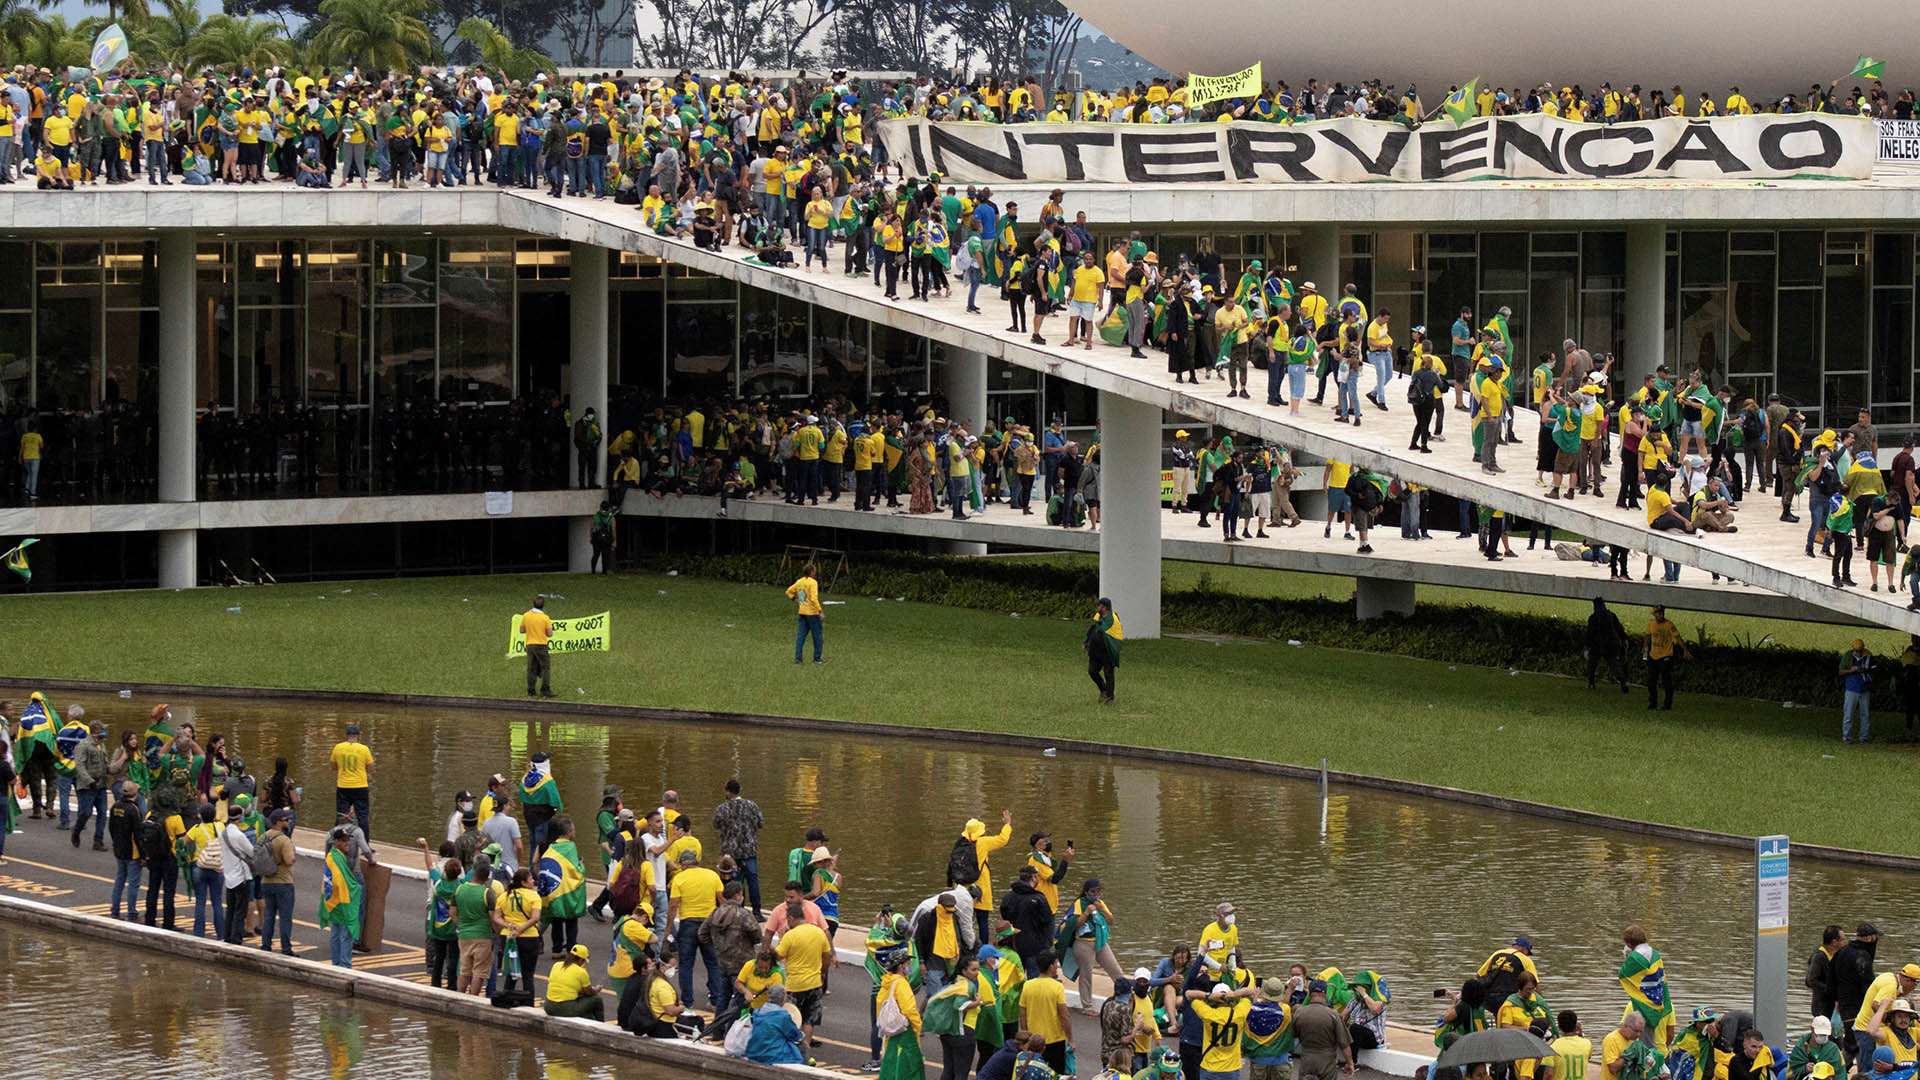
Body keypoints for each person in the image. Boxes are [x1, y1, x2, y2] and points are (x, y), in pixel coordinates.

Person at [669, 847, 727, 1011]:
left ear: (683, 865)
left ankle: (688, 1003)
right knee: (713, 963)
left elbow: (673, 905)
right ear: (697, 862)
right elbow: (722, 901)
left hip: (688, 924)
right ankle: (716, 1000)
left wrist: (668, 929)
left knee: (686, 964)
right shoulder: (712, 875)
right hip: (709, 925)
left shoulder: (679, 879)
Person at [776, 899, 836, 1048]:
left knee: (793, 1017)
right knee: (809, 1019)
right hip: (814, 982)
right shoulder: (818, 932)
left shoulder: (790, 936)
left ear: (791, 919)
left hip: (794, 984)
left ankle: (791, 1047)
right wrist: (822, 973)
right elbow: (827, 956)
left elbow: (778, 956)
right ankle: (806, 1047)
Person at [712, 778, 765, 918]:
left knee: (730, 882)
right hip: (749, 850)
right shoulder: (752, 805)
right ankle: (757, 912)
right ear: (739, 791)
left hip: (729, 853)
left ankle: (733, 911)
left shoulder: (721, 808)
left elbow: (716, 825)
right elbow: (760, 823)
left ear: (727, 792)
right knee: (752, 881)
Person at [1618, 924, 1673, 1051]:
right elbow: (1658, 977)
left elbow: (1623, 974)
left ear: (1630, 944)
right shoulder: (1655, 953)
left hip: (1645, 1003)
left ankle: (1654, 1069)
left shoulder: (1636, 956)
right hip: (1656, 999)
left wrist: (1627, 958)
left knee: (1648, 1045)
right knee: (1648, 1038)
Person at [877, 947, 926, 1080]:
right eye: (907, 964)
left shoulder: (886, 982)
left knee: (891, 1066)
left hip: (890, 1032)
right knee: (909, 1068)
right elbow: (909, 1010)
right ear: (900, 966)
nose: (910, 966)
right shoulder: (901, 984)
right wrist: (919, 1026)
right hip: (905, 1032)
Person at [320, 824, 364, 968]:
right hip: (341, 901)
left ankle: (337, 962)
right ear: (336, 842)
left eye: (348, 840)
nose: (347, 843)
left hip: (334, 901)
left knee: (336, 932)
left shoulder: (336, 856)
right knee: (345, 934)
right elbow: (340, 882)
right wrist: (355, 888)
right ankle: (344, 964)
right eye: (344, 840)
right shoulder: (335, 858)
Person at [1293, 978, 1356, 1080]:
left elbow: (1292, 1035)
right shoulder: (1333, 1015)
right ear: (1325, 994)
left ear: (1309, 994)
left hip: (1306, 1060)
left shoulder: (1299, 1013)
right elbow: (1344, 1044)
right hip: (1327, 1061)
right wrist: (1350, 1063)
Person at [1022, 951, 1073, 1074]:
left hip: (1034, 1040)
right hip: (1055, 1040)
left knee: (1035, 1073)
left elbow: (1023, 1014)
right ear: (1051, 966)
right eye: (1056, 963)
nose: (1057, 966)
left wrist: (1026, 1035)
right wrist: (1070, 1038)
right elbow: (1064, 1015)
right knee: (1057, 1074)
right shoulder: (1057, 987)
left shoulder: (1027, 986)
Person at [258, 809, 296, 955]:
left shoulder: (263, 837)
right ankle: (286, 948)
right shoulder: (284, 840)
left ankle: (266, 945)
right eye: (286, 820)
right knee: (285, 917)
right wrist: (294, 853)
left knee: (269, 915)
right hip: (283, 882)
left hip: (266, 881)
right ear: (279, 822)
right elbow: (289, 861)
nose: (289, 822)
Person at [69, 719, 110, 850]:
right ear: (95, 730)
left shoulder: (101, 745)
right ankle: (77, 830)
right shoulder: (83, 745)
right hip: (87, 786)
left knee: (102, 813)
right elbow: (80, 766)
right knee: (85, 812)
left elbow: (106, 764)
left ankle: (98, 840)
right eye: (102, 729)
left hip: (101, 784)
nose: (104, 732)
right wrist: (89, 781)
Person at [327, 722, 373, 840]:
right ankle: (365, 844)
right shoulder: (364, 749)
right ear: (358, 736)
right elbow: (370, 767)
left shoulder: (338, 747)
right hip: (360, 786)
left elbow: (333, 766)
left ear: (346, 735)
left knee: (341, 815)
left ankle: (337, 840)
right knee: (362, 817)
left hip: (343, 786)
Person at [107, 782, 143, 920]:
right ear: (135, 793)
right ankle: (132, 913)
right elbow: (138, 834)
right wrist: (144, 855)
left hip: (119, 848)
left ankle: (115, 911)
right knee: (133, 883)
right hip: (132, 851)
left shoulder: (115, 806)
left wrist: (116, 843)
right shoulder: (133, 809)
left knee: (119, 880)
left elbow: (111, 827)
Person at [1643, 607, 1691, 712]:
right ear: (1654, 614)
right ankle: (1652, 704)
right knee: (1651, 682)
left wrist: (1685, 650)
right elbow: (1647, 637)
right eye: (1659, 614)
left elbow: (1678, 638)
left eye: (1662, 613)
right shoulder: (1651, 623)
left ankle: (1667, 705)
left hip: (1665, 657)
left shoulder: (1669, 624)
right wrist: (1645, 651)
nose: (1661, 615)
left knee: (1666, 682)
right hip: (1653, 656)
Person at [746, 984, 808, 1064]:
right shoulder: (782, 1016)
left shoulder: (757, 1012)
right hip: (771, 1056)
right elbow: (794, 1035)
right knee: (802, 1047)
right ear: (783, 999)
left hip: (753, 1052)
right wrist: (802, 1035)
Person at [545, 943, 608, 1021]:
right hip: (564, 1007)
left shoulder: (556, 965)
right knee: (596, 1000)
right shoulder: (580, 972)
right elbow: (589, 993)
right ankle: (600, 1025)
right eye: (584, 961)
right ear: (581, 960)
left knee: (587, 1015)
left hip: (548, 1006)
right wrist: (596, 990)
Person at [519, 752, 563, 857]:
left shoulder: (525, 779)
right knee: (542, 846)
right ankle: (540, 869)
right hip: (543, 818)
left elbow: (522, 798)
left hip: (529, 817)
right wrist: (557, 811)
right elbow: (555, 800)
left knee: (533, 845)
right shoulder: (547, 781)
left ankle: (531, 869)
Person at [1587, 599, 1630, 693]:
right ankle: (1623, 681)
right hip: (1612, 644)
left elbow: (1590, 633)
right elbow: (1619, 629)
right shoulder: (1611, 615)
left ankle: (1591, 683)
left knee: (1592, 664)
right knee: (1614, 665)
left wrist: (1587, 646)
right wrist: (1624, 639)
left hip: (1597, 644)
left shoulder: (1593, 617)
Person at [787, 560, 825, 664]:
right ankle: (817, 658)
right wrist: (820, 611)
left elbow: (789, 591)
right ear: (811, 572)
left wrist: (795, 600)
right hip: (812, 613)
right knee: (817, 636)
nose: (816, 573)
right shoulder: (813, 583)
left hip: (802, 612)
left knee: (801, 636)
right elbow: (813, 598)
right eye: (815, 571)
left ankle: (798, 659)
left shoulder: (799, 581)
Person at [1086, 597, 1122, 705]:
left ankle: (1110, 698)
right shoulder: (1098, 616)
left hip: (1107, 651)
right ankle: (1104, 689)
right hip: (1096, 651)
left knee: (1108, 674)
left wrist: (1099, 622)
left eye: (1099, 605)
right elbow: (1092, 629)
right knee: (1092, 671)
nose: (1097, 607)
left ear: (1104, 607)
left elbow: (1104, 628)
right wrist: (1086, 642)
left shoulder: (1112, 619)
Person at [1810, 925, 1847, 1023]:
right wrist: (1830, 990)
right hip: (1822, 1006)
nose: (1845, 942)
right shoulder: (1819, 957)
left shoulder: (1836, 955)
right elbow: (1811, 980)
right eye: (1843, 939)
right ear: (1835, 942)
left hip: (1834, 1004)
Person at [521, 596, 555, 697]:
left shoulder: (526, 615)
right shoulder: (545, 618)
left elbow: (522, 630)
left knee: (531, 668)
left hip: (530, 645)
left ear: (533, 604)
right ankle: (545, 690)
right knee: (545, 668)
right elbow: (549, 634)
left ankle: (531, 690)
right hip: (541, 645)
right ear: (543, 606)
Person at [1842, 639, 1875, 743]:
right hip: (1851, 689)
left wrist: (1864, 670)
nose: (1859, 652)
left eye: (1860, 650)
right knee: (1848, 714)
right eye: (1857, 650)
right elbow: (1840, 671)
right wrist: (1850, 670)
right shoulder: (1847, 656)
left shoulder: (1868, 655)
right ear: (1853, 649)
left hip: (1864, 689)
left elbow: (1874, 670)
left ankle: (1864, 737)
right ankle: (1846, 737)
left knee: (1865, 715)